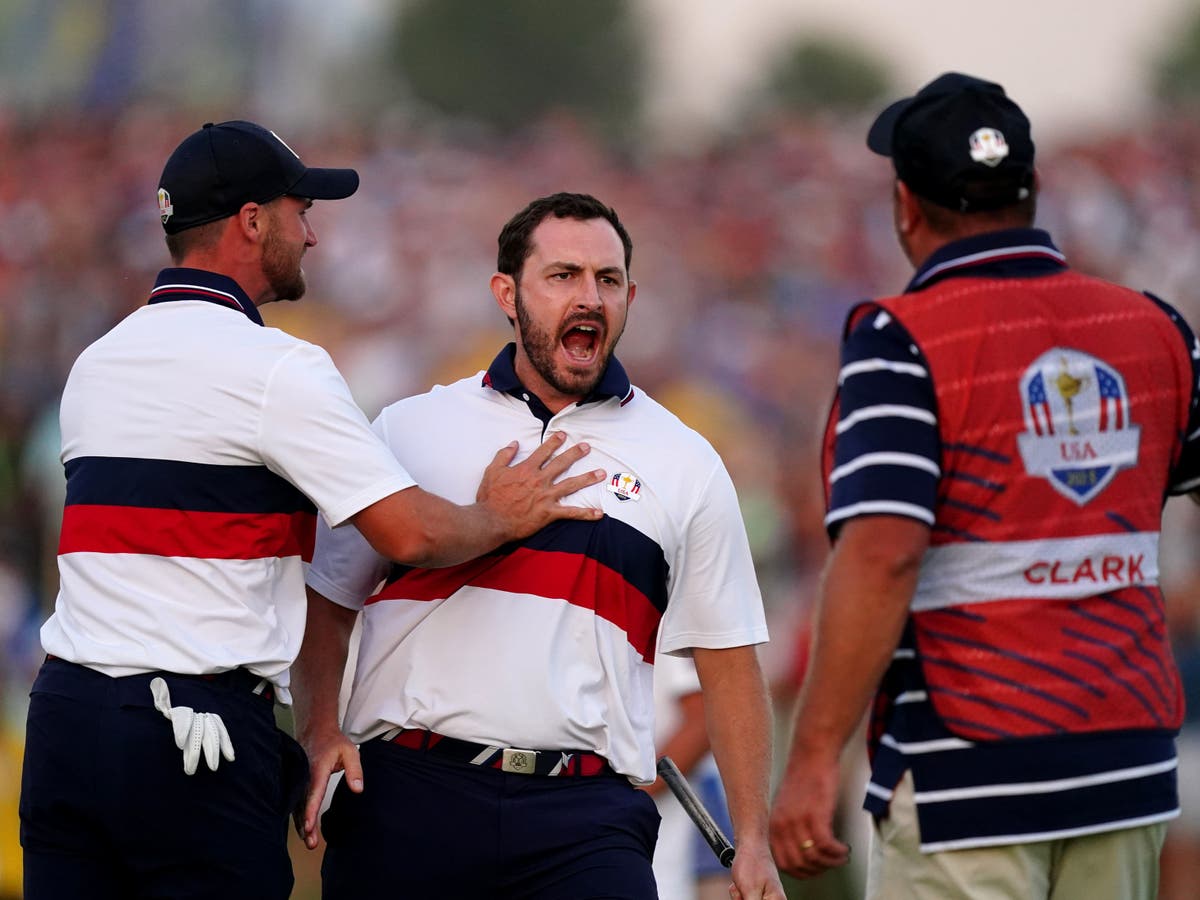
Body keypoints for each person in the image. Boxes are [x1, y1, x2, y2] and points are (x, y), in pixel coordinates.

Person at [18, 121, 604, 900]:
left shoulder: (98, 361)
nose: (314, 234)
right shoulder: (278, 368)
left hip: (64, 723)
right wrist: (501, 513)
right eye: (300, 210)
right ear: (252, 222)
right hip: (190, 734)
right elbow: (410, 533)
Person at [768, 72, 1200, 899]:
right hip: (1128, 760)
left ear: (905, 206)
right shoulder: (1154, 327)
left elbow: (883, 555)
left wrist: (816, 755)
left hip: (967, 772)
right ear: (1031, 190)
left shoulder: (902, 339)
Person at [292, 192, 785, 899]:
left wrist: (754, 841)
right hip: (409, 797)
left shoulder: (688, 461)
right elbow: (329, 600)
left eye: (607, 281)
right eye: (563, 276)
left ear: (630, 296)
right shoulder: (409, 429)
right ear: (506, 293)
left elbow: (731, 664)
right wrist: (316, 731)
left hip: (587, 819)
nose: (589, 297)